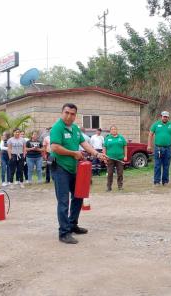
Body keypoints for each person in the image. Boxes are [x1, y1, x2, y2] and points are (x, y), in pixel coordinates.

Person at [50, 103, 107, 244]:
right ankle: (63, 233)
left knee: (79, 196)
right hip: (60, 167)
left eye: (72, 114)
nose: (69, 116)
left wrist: (96, 154)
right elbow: (55, 147)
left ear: (76, 115)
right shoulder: (57, 128)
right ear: (62, 112)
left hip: (73, 167)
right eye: (67, 113)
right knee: (64, 201)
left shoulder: (75, 128)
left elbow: (84, 143)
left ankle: (72, 224)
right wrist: (73, 153)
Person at [147, 111, 171, 186]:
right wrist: (149, 145)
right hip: (158, 148)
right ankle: (157, 181)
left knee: (166, 165)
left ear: (168, 117)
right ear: (161, 116)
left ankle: (165, 181)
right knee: (157, 165)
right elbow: (150, 134)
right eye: (164, 116)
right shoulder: (156, 124)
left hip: (168, 148)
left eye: (166, 117)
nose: (165, 118)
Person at [103, 126, 127, 191]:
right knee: (110, 173)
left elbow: (125, 147)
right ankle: (109, 187)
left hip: (120, 158)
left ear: (117, 130)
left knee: (120, 173)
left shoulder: (121, 138)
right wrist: (104, 157)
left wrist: (125, 156)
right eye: (112, 129)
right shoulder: (107, 138)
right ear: (110, 131)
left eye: (115, 129)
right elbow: (104, 148)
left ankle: (120, 186)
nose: (113, 130)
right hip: (110, 159)